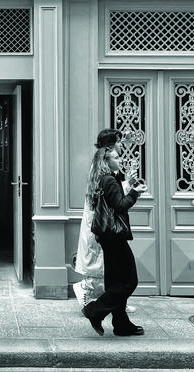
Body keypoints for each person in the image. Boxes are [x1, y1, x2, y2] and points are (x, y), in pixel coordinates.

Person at [82, 137, 146, 337]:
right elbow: (120, 205)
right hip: (114, 237)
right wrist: (135, 193)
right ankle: (95, 310)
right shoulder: (108, 179)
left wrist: (129, 185)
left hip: (107, 236)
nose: (120, 159)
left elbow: (114, 200)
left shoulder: (106, 177)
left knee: (115, 280)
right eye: (117, 157)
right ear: (107, 160)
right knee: (129, 281)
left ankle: (121, 323)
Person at [73, 129, 136, 313]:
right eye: (118, 141)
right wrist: (132, 190)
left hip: (102, 222)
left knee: (110, 269)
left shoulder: (105, 165)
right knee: (107, 268)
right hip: (105, 224)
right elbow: (111, 196)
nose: (121, 144)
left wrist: (127, 184)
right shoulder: (104, 168)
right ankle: (94, 299)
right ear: (110, 146)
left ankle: (116, 304)